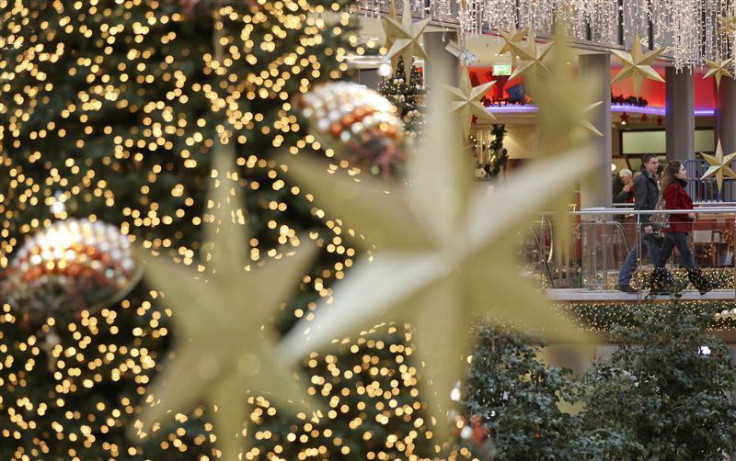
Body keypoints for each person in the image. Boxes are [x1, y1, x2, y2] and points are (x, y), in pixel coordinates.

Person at [650, 161, 712, 294]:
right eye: (683, 170)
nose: (685, 171)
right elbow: (672, 208)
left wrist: (689, 212)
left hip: (676, 227)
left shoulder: (676, 187)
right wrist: (688, 214)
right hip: (676, 227)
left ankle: (655, 285)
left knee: (663, 257)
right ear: (676, 173)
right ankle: (701, 285)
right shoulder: (673, 187)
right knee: (686, 255)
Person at [615, 154, 663, 293]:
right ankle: (663, 281)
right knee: (653, 252)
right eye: (653, 163)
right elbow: (641, 204)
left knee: (640, 251)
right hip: (646, 222)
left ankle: (623, 281)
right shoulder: (642, 180)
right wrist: (645, 223)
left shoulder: (652, 178)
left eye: (657, 162)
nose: (656, 165)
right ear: (645, 164)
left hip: (649, 221)